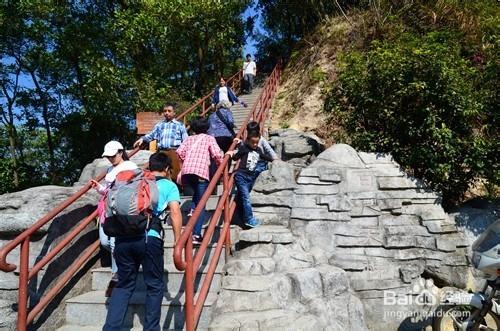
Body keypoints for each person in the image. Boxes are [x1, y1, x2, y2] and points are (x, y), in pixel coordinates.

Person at [103, 152, 182, 331]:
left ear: (149, 166)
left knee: (123, 285)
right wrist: (178, 241)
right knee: (154, 286)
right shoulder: (169, 186)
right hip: (148, 238)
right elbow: (176, 213)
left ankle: (110, 328)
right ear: (168, 169)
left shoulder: (133, 182)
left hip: (122, 238)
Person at [90, 140, 138, 297]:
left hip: (121, 209)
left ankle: (117, 275)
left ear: (120, 152)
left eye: (112, 155)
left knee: (113, 242)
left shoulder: (131, 167)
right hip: (107, 208)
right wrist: (99, 188)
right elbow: (108, 190)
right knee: (105, 241)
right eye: (108, 156)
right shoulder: (110, 168)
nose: (110, 159)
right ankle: (122, 269)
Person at [176, 117, 223, 244]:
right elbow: (217, 154)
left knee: (197, 196)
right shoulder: (209, 138)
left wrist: (185, 164)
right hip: (201, 173)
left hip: (187, 172)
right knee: (201, 205)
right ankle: (196, 235)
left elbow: (179, 152)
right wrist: (221, 167)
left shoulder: (189, 139)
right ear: (207, 128)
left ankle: (192, 209)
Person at [226, 125, 278, 228]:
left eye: (256, 142)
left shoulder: (258, 150)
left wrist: (274, 160)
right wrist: (231, 153)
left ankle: (240, 217)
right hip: (241, 177)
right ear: (248, 140)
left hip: (250, 178)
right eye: (252, 142)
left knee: (243, 198)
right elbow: (236, 157)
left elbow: (264, 156)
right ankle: (249, 219)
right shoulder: (244, 148)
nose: (255, 144)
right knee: (246, 198)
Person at [133, 103, 188, 182]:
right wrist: (143, 139)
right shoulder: (159, 125)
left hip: (174, 151)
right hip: (162, 152)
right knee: (162, 173)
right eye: (165, 111)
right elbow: (152, 134)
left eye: (169, 111)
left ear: (174, 113)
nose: (166, 113)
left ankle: (176, 190)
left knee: (175, 174)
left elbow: (185, 140)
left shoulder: (179, 125)